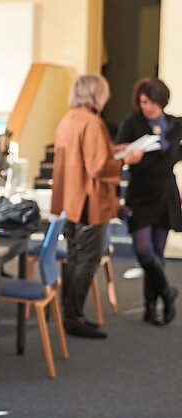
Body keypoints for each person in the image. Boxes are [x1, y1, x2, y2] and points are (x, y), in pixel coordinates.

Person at [50, 73, 144, 339]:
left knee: (74, 259)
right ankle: (73, 317)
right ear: (94, 94)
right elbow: (98, 166)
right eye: (104, 94)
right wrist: (128, 159)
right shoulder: (92, 123)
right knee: (87, 261)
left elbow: (84, 158)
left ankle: (69, 313)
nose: (106, 99)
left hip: (70, 202)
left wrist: (115, 150)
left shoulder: (68, 119)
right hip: (89, 204)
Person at [115, 77, 180, 325]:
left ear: (162, 102)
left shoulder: (174, 125)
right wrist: (128, 156)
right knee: (144, 251)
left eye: (153, 102)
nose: (148, 107)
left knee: (158, 252)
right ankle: (167, 292)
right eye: (144, 102)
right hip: (140, 193)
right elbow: (116, 152)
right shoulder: (132, 122)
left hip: (165, 192)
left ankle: (150, 307)